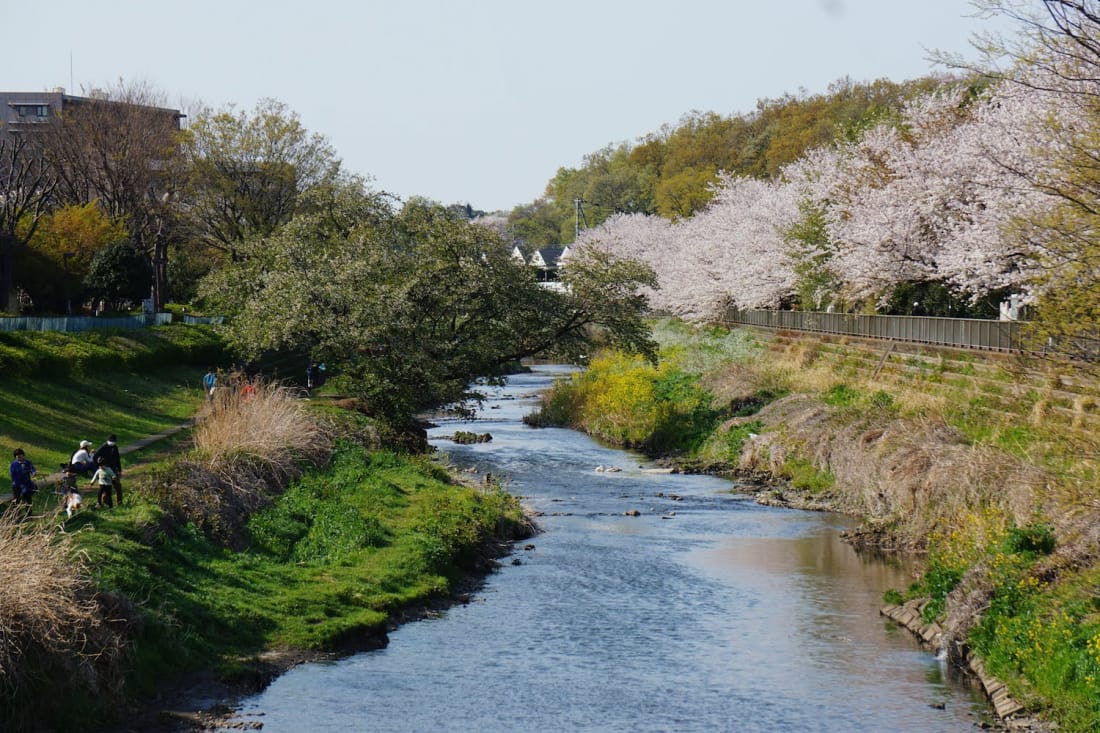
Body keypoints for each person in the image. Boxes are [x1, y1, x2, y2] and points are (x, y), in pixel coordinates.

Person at [94, 434, 123, 507]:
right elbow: (95, 457)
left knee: (118, 486)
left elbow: (117, 459)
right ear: (107, 441)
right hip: (105, 471)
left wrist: (119, 470)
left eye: (113, 441)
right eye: (111, 441)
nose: (112, 442)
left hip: (114, 470)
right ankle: (105, 503)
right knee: (105, 488)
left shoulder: (115, 447)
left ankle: (120, 502)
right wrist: (99, 466)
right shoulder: (103, 447)